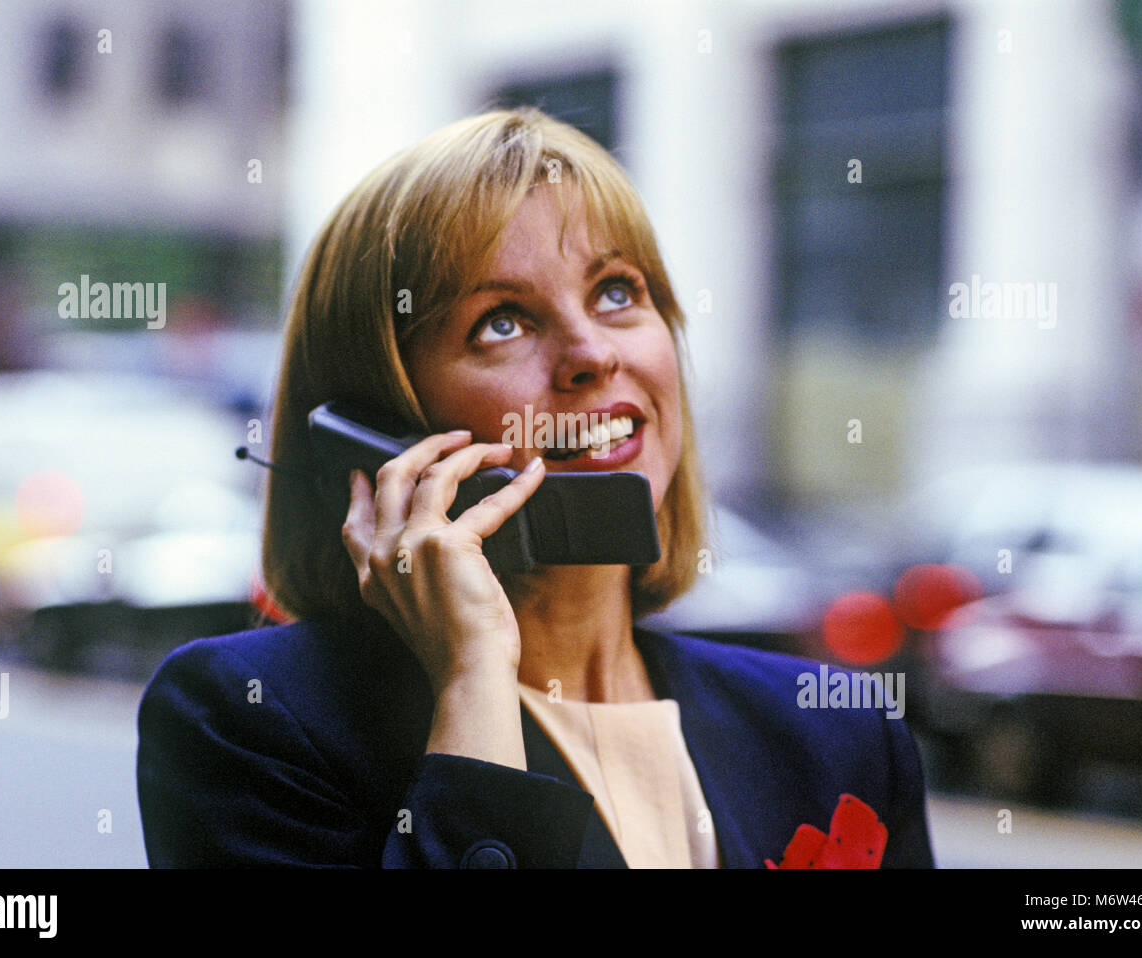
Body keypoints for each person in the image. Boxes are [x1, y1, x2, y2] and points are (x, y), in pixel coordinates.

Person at [136, 107, 935, 868]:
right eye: (502, 321)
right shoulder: (249, 718)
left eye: (617, 292)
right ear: (380, 426)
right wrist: (475, 679)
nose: (591, 351)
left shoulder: (837, 729)